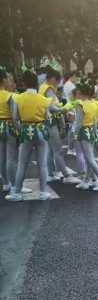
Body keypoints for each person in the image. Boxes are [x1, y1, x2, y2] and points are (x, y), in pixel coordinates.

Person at [6, 70, 57, 202]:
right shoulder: (44, 99)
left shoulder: (17, 98)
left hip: (25, 130)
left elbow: (15, 118)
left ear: (23, 82)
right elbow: (47, 117)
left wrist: (20, 131)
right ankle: (43, 192)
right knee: (43, 164)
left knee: (22, 163)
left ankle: (16, 192)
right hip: (40, 130)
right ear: (36, 83)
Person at [39, 68, 80, 184]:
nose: (58, 84)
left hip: (46, 121)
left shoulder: (43, 87)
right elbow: (52, 107)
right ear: (52, 79)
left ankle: (51, 173)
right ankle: (67, 176)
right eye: (57, 81)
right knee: (58, 150)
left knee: (51, 150)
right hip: (51, 122)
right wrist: (64, 109)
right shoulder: (48, 89)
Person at [73, 79, 98, 191]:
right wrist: (94, 132)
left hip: (84, 131)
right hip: (92, 130)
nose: (77, 93)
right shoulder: (94, 104)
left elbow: (79, 122)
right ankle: (86, 180)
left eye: (78, 92)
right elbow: (95, 121)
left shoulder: (80, 104)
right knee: (89, 157)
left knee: (89, 158)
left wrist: (75, 133)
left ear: (81, 93)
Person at [0, 68, 18, 192]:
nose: (9, 80)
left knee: (1, 156)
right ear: (3, 80)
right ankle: (13, 185)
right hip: (9, 126)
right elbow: (14, 116)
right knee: (11, 157)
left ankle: (6, 183)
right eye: (7, 78)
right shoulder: (10, 96)